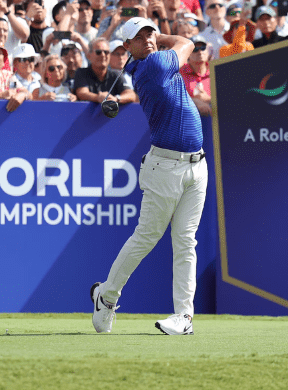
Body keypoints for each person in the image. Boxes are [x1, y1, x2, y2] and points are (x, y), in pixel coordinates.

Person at [91, 17, 207, 336]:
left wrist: (155, 35)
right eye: (140, 37)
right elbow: (186, 43)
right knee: (146, 237)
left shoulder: (149, 60)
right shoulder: (152, 67)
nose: (150, 40)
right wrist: (164, 35)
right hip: (165, 167)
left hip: (197, 166)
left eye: (150, 34)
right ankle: (107, 297)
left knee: (186, 241)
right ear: (127, 47)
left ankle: (184, 316)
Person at [73, 37, 137, 105]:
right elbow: (82, 93)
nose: (103, 55)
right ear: (89, 55)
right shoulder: (81, 73)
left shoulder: (116, 74)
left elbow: (131, 95)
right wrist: (98, 97)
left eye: (106, 52)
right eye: (98, 52)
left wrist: (116, 99)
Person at [180, 36, 212, 115]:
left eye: (203, 48)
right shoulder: (179, 72)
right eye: (195, 49)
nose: (200, 52)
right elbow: (173, 98)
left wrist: (209, 99)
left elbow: (227, 102)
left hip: (215, 122)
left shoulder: (215, 70)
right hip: (188, 121)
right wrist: (195, 101)